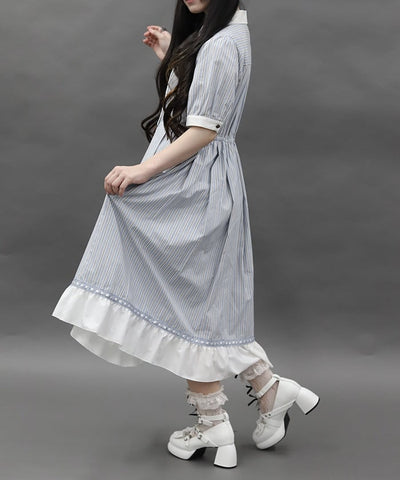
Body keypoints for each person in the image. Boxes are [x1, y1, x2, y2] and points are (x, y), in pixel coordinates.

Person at [51, 0, 320, 469]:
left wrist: (143, 171)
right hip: (206, 179)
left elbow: (203, 130)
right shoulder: (227, 37)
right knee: (203, 300)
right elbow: (205, 101)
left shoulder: (221, 44)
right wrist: (173, 56)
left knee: (188, 300)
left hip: (195, 181)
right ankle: (269, 389)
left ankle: (214, 423)